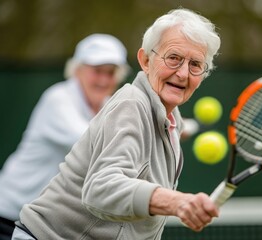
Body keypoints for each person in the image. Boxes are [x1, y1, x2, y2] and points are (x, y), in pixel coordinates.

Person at [13, 8, 221, 240]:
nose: (183, 73)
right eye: (173, 58)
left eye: (195, 64)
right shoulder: (130, 104)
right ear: (145, 60)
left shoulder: (172, 122)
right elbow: (102, 188)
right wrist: (177, 201)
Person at [0, 33, 130, 239]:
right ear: (77, 70)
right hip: (8, 216)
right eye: (97, 71)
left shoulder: (109, 107)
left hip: (43, 223)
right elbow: (91, 142)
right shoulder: (57, 99)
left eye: (111, 72)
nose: (104, 79)